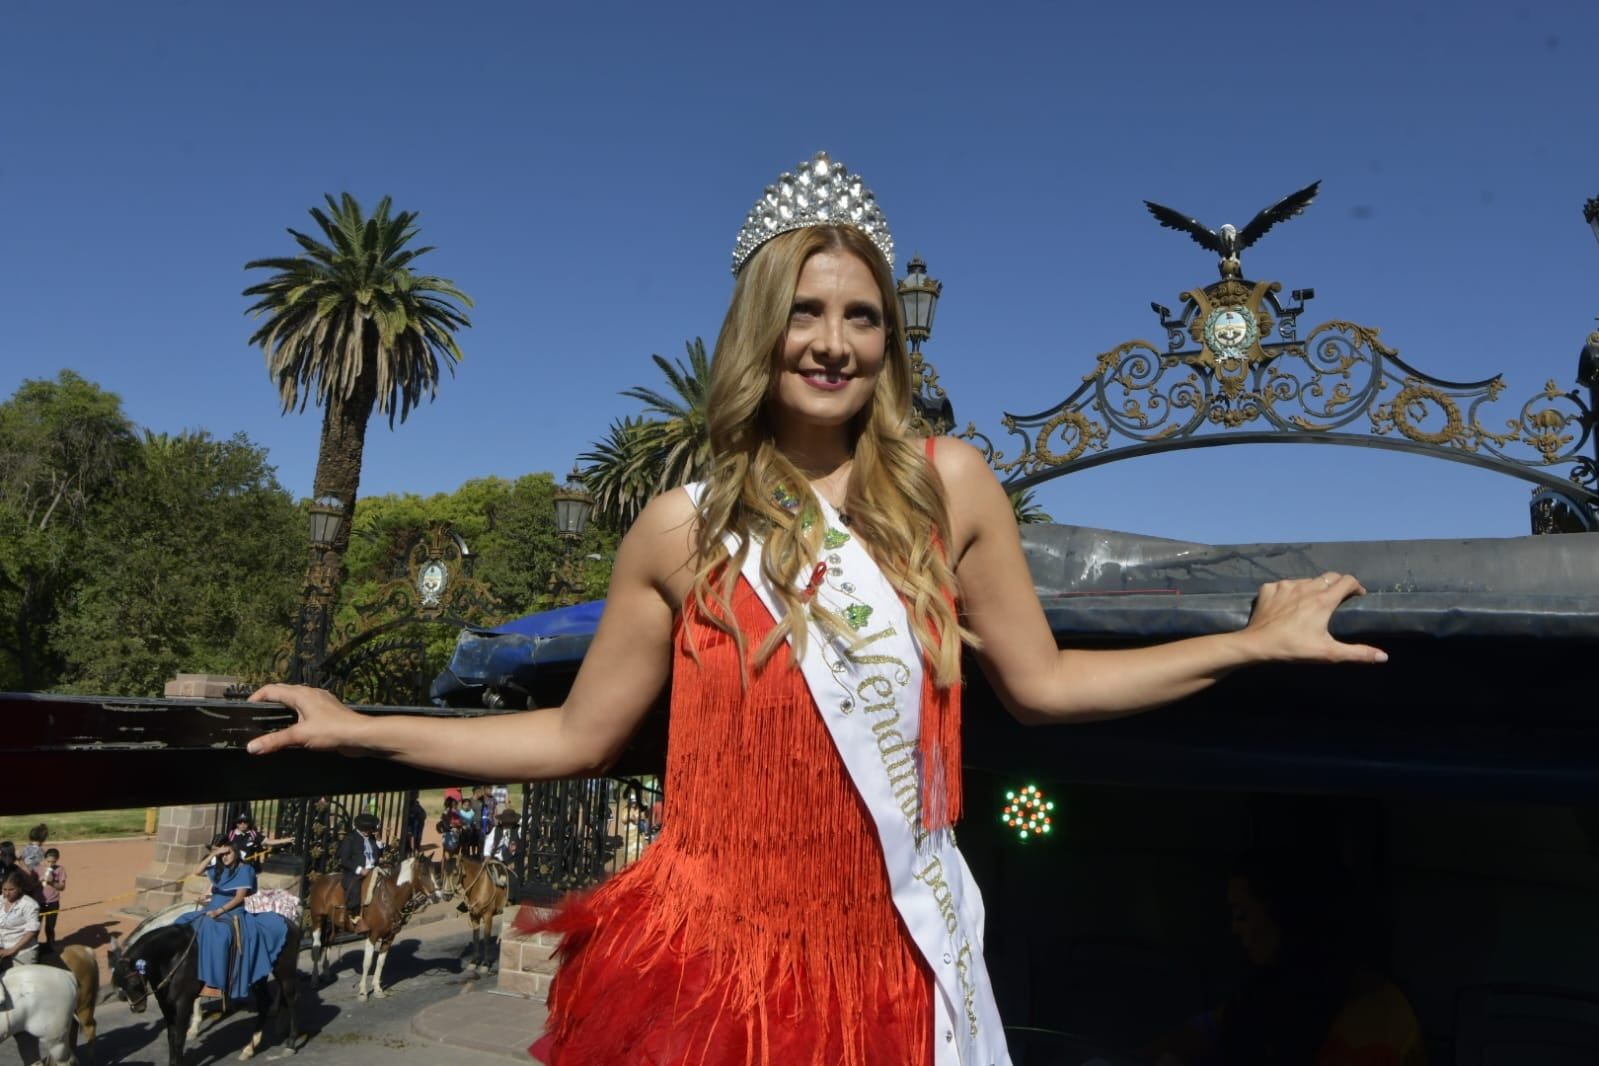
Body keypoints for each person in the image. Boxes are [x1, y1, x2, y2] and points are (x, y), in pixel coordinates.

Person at [249, 150, 1385, 1066]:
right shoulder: (679, 529)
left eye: (863, 316)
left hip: (890, 960)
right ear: (760, 329)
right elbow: (574, 735)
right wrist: (360, 727)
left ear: (891, 336)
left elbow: (1046, 686)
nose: (834, 343)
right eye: (807, 312)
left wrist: (1246, 641)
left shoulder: (951, 487)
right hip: (710, 970)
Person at [1145, 850, 1426, 1065]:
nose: (1234, 928)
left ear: (1283, 916)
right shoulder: (1269, 990)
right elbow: (1209, 1031)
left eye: (1242, 914)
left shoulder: (1372, 1015)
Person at [174, 841, 289, 1001]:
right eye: (222, 855)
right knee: (181, 922)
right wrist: (214, 854)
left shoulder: (245, 870)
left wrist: (219, 911)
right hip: (211, 908)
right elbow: (197, 871)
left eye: (227, 853)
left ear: (236, 852)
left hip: (231, 912)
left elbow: (239, 898)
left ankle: (213, 983)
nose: (225, 857)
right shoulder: (219, 869)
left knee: (218, 935)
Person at [336, 812, 383, 932]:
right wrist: (360, 870)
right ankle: (354, 916)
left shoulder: (372, 838)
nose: (369, 832)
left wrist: (378, 840)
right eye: (368, 830)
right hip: (355, 872)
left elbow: (379, 853)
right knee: (356, 890)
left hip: (374, 870)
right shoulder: (350, 838)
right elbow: (344, 860)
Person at [0, 869, 41, 972]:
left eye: (11, 890)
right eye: (4, 889)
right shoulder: (0, 900)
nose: (7, 893)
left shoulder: (29, 904)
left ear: (19, 888)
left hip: (22, 951)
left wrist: (11, 950)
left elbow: (31, 931)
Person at [33, 847, 64, 952]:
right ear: (44, 859)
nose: (50, 864)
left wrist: (52, 882)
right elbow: (30, 886)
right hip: (38, 902)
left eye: (53, 862)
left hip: (53, 902)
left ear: (57, 859)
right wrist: (39, 881)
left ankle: (50, 946)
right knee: (35, 927)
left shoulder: (60, 869)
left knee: (50, 927)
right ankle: (33, 946)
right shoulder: (37, 869)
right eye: (48, 861)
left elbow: (62, 887)